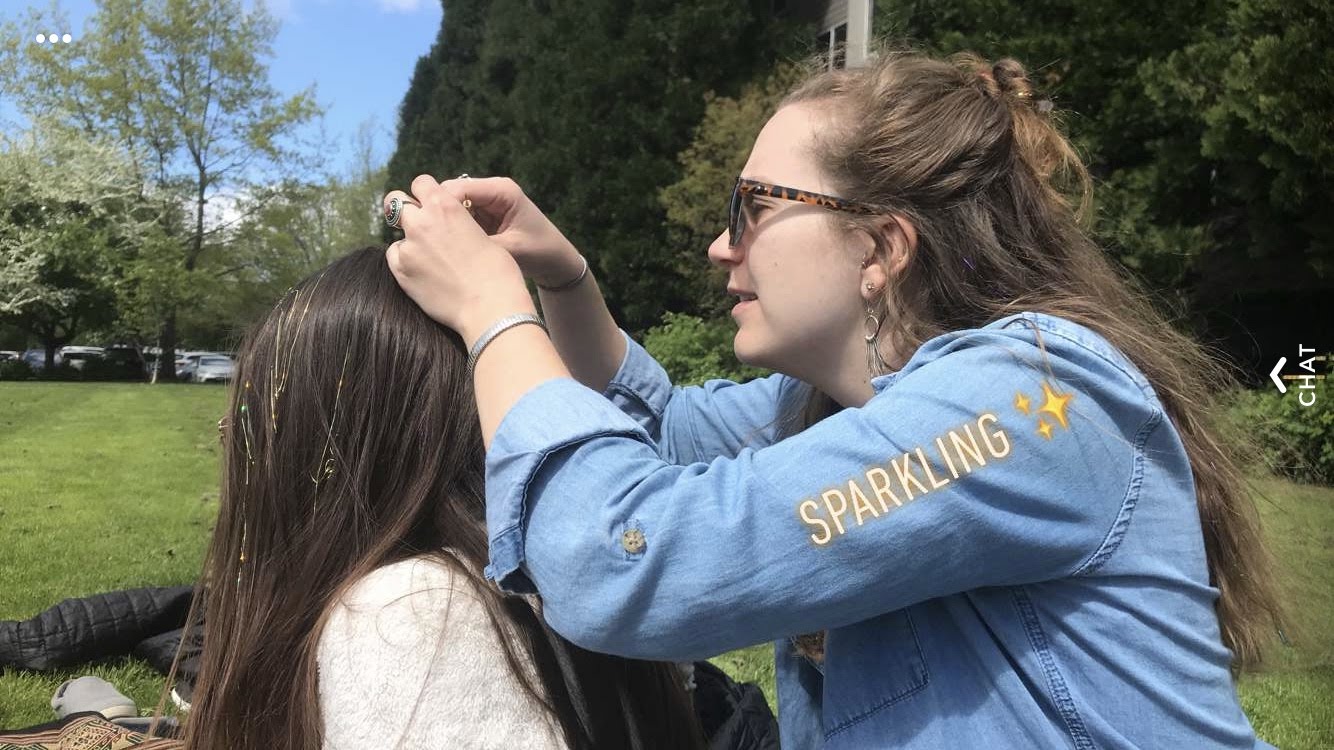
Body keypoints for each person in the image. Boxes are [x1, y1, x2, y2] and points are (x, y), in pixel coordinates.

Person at [381, 48, 1285, 748]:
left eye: (753, 210)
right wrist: (563, 278)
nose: (720, 248)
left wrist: (492, 315)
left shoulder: (1030, 403)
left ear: (880, 248)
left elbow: (631, 560)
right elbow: (660, 429)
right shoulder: (849, 406)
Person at [165, 246, 716, 749]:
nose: (233, 440)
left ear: (325, 444)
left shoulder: (411, 612)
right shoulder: (551, 558)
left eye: (251, 425)